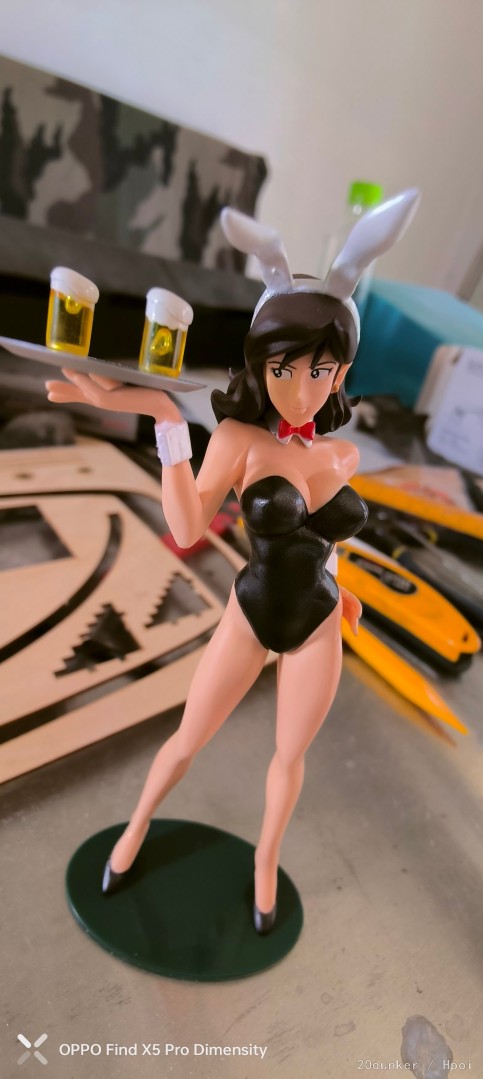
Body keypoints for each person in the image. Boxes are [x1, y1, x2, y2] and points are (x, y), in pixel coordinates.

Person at [46, 191, 419, 933]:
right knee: (187, 739)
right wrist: (164, 421)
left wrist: (340, 590)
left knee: (288, 759)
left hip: (318, 625)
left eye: (321, 371)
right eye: (284, 369)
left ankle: (264, 861)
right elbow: (187, 529)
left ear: (341, 371)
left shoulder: (342, 454)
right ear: (259, 364)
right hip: (249, 616)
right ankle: (134, 829)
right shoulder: (239, 442)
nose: (302, 390)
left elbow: (330, 542)